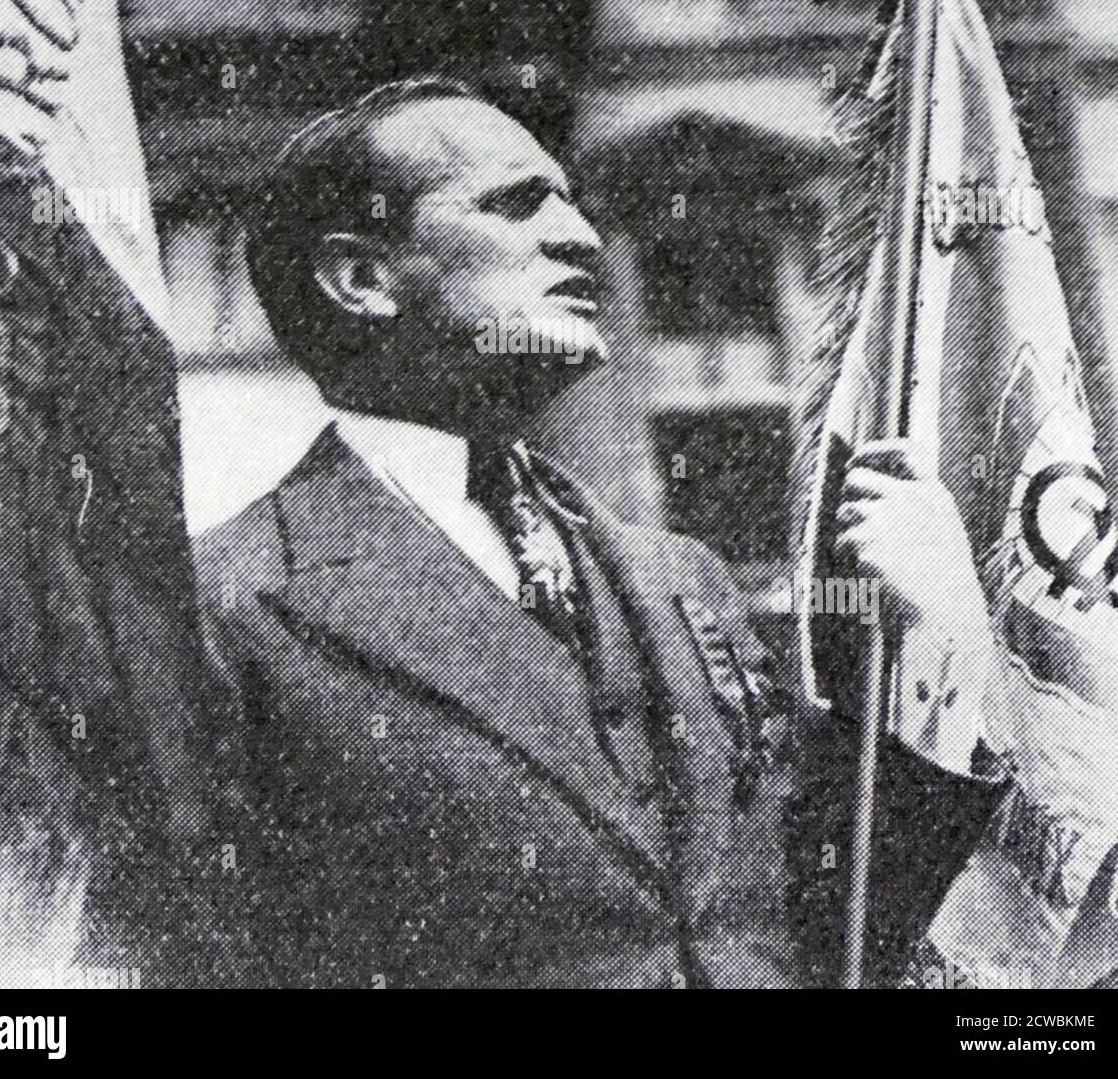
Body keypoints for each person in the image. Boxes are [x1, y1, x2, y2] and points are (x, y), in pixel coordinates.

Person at [190, 77, 999, 988]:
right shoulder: (224, 608)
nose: (579, 237)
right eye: (514, 204)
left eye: (571, 202)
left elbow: (826, 926)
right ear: (364, 280)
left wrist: (946, 643)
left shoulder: (680, 577)